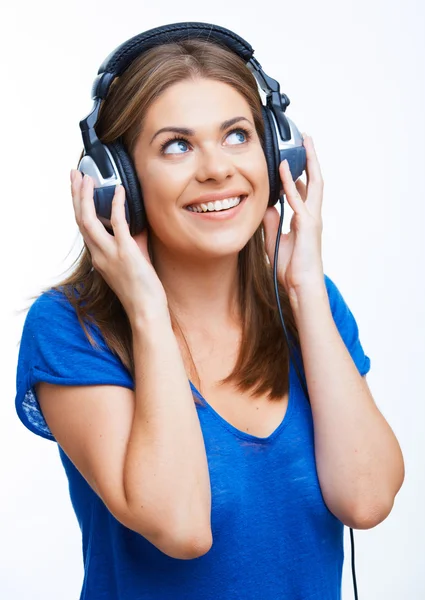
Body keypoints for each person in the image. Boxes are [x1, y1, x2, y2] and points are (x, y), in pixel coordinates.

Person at [15, 28, 404, 600]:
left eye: (238, 136)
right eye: (178, 145)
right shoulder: (72, 329)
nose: (218, 169)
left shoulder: (308, 304)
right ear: (117, 181)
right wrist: (147, 310)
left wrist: (305, 292)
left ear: (276, 152)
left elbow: (366, 499)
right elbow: (180, 526)